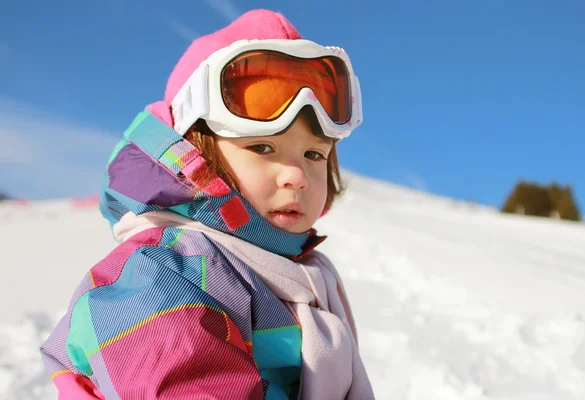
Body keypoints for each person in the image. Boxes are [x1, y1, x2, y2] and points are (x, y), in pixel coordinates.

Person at [40, 9, 373, 400]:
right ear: (193, 157)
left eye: (314, 155)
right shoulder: (167, 275)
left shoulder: (292, 271)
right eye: (262, 147)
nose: (296, 175)